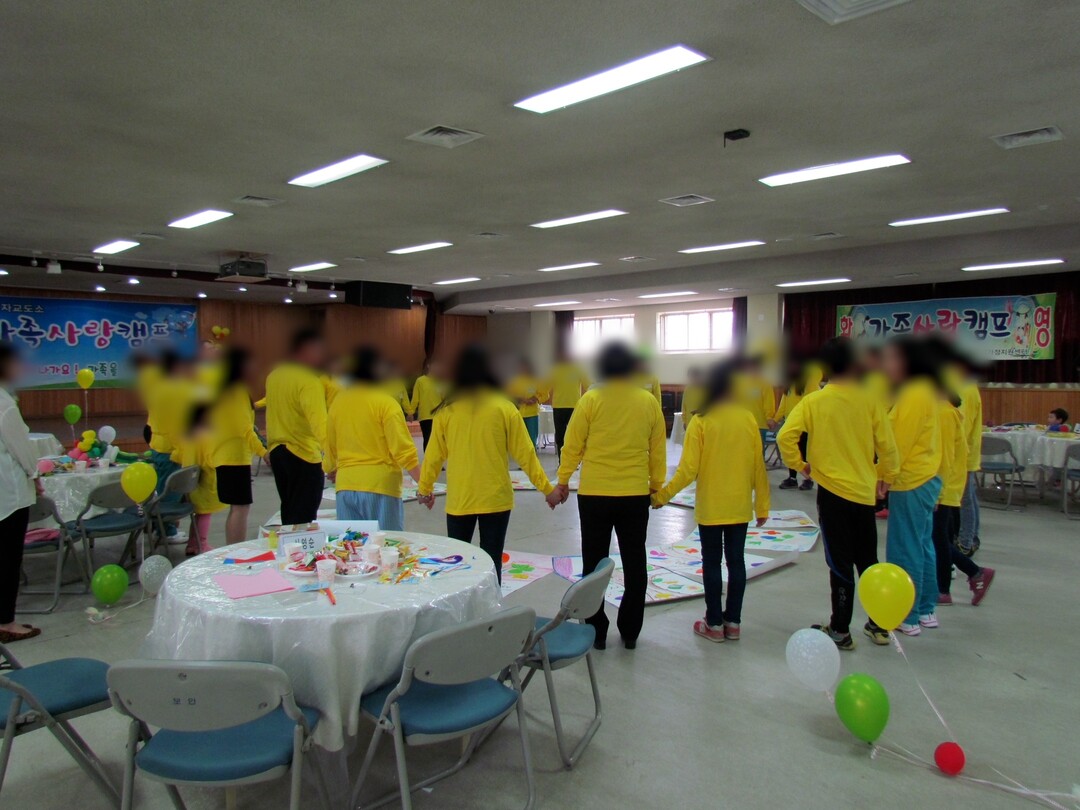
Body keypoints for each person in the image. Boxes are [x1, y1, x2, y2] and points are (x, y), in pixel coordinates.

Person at [777, 338, 898, 651]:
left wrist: (800, 465)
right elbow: (888, 445)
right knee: (868, 560)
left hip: (832, 495)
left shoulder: (815, 401)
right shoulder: (870, 400)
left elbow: (785, 436)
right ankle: (879, 624)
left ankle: (841, 629)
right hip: (864, 494)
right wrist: (886, 477)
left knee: (840, 563)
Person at [550, 342, 666, 650]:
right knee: (635, 561)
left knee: (593, 562)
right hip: (634, 494)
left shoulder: (590, 400)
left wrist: (563, 481)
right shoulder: (648, 402)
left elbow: (572, 444)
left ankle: (596, 630)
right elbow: (657, 449)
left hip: (595, 495)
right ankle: (630, 631)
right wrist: (656, 485)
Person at [652, 361, 770, 643]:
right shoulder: (747, 419)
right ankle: (733, 623)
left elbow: (687, 470)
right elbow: (758, 466)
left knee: (712, 562)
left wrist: (661, 496)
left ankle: (714, 624)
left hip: (711, 508)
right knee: (737, 562)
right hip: (739, 507)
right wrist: (762, 505)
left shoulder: (701, 421)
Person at [417, 345, 554, 580]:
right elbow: (526, 454)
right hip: (495, 499)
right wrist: (547, 490)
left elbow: (433, 456)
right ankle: (492, 603)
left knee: (457, 567)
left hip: (461, 499)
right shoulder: (505, 408)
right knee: (492, 563)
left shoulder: (446, 412)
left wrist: (424, 489)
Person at [883, 338, 944, 636]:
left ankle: (906, 614)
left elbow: (899, 444)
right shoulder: (923, 389)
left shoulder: (913, 394)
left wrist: (884, 476)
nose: (886, 366)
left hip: (911, 480)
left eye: (891, 359)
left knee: (905, 547)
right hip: (925, 477)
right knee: (922, 544)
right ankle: (925, 608)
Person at [325, 347, 421, 531]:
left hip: (346, 486)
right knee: (386, 543)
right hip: (380, 486)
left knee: (352, 545)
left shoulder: (338, 403)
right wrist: (424, 485)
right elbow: (403, 451)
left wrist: (330, 468)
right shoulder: (386, 403)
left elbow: (329, 444)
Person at [933, 392, 995, 607]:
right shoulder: (948, 411)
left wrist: (937, 492)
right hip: (946, 484)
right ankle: (972, 573)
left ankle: (947, 587)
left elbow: (943, 456)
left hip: (944, 486)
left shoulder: (944, 413)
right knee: (939, 537)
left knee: (937, 538)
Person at [0, 344, 44, 643]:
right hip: (9, 494)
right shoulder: (5, 404)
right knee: (8, 558)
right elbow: (23, 451)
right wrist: (35, 475)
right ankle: (7, 622)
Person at [265, 328, 328, 526]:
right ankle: (299, 546)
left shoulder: (274, 376)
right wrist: (333, 458)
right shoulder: (308, 380)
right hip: (303, 453)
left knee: (289, 508)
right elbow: (320, 423)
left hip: (278, 452)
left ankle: (288, 544)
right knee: (304, 515)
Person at [210, 348, 267, 544]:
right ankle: (236, 550)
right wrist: (263, 452)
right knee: (240, 507)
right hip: (233, 457)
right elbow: (246, 428)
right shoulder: (236, 389)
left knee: (238, 507)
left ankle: (234, 547)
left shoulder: (224, 387)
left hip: (226, 454)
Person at [176, 404, 221, 555]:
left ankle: (191, 544)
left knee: (197, 514)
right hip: (205, 480)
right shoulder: (209, 436)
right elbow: (211, 458)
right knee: (205, 513)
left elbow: (178, 454)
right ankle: (202, 543)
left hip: (189, 479)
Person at [775, 357, 822, 491]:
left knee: (804, 452)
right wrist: (776, 419)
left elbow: (812, 401)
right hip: (790, 422)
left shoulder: (809, 382)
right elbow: (783, 403)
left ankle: (808, 479)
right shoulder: (789, 383)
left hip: (804, 425)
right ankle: (792, 478)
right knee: (792, 451)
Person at [954, 353, 983, 555]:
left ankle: (965, 542)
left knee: (964, 499)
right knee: (969, 496)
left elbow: (961, 424)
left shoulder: (963, 387)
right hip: (965, 452)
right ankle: (971, 537)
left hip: (961, 453)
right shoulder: (967, 385)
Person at [547, 352, 590, 459]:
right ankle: (561, 461)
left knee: (575, 436)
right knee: (560, 436)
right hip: (558, 407)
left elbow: (589, 385)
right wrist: (538, 397)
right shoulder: (555, 369)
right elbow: (545, 386)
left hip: (575, 407)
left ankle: (575, 460)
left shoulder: (579, 369)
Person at [506, 357, 549, 450]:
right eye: (521, 367)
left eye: (526, 367)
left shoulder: (536, 381)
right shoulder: (515, 381)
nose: (524, 369)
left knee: (532, 439)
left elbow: (545, 395)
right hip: (518, 414)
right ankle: (521, 458)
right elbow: (509, 396)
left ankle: (531, 456)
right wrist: (521, 400)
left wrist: (536, 399)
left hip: (532, 414)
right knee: (519, 439)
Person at [736, 355, 776, 447]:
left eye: (754, 367)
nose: (751, 370)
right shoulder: (739, 382)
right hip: (742, 423)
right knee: (743, 449)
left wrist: (769, 417)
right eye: (748, 367)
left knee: (758, 449)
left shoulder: (765, 383)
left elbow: (768, 402)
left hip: (759, 424)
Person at [408, 358, 446, 450]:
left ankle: (438, 459)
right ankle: (428, 459)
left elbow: (444, 399)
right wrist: (411, 412)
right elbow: (415, 398)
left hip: (439, 416)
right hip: (425, 416)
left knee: (439, 440)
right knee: (428, 439)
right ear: (428, 366)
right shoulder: (420, 381)